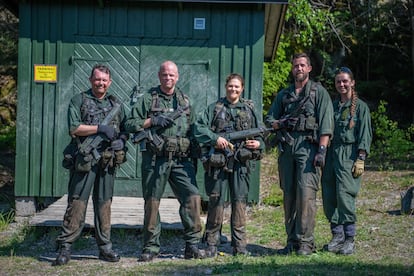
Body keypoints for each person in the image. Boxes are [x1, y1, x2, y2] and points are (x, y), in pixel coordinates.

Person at [125, 61, 206, 262]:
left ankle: (192, 245)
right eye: (164, 75)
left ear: (177, 77)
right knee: (152, 203)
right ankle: (151, 247)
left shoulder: (185, 101)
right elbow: (129, 123)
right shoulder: (147, 99)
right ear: (159, 76)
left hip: (181, 160)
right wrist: (152, 121)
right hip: (155, 159)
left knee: (193, 197)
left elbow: (194, 128)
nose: (168, 78)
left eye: (172, 75)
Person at [53, 64, 128, 266]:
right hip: (85, 160)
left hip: (107, 161)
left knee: (104, 204)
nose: (101, 83)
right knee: (77, 202)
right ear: (90, 80)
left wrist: (121, 139)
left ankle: (105, 247)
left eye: (104, 80)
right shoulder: (79, 100)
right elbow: (74, 127)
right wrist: (100, 128)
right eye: (97, 79)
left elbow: (125, 129)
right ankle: (66, 246)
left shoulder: (116, 104)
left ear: (109, 82)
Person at [265, 53, 334, 255]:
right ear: (292, 68)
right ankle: (292, 241)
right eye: (296, 65)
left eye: (303, 65)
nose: (299, 69)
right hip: (287, 148)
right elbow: (270, 119)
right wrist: (281, 123)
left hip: (308, 148)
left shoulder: (318, 93)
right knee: (289, 196)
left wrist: (321, 151)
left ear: (309, 68)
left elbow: (326, 125)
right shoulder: (284, 95)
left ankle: (305, 242)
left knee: (306, 196)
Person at [194, 73, 265, 257]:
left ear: (242, 89)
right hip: (218, 163)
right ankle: (211, 244)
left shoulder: (249, 110)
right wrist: (215, 138)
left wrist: (258, 144)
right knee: (216, 201)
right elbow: (198, 128)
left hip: (241, 165)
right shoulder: (215, 108)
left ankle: (240, 246)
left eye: (237, 87)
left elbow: (261, 135)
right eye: (230, 86)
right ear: (226, 87)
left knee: (239, 203)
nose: (233, 89)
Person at [321, 66, 372, 255]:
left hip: (349, 155)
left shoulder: (361, 107)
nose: (341, 84)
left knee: (345, 195)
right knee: (329, 195)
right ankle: (337, 236)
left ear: (352, 82)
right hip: (330, 155)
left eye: (345, 81)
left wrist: (361, 157)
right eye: (338, 81)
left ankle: (350, 239)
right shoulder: (332, 106)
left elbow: (365, 134)